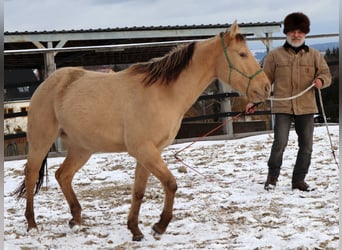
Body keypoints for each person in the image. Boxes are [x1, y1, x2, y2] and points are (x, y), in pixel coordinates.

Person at [246, 12, 331, 192]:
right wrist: (254, 101)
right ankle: (272, 178)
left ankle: (298, 181)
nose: (296, 35)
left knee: (307, 147)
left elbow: (326, 74)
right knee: (280, 143)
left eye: (300, 31)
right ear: (287, 33)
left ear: (305, 33)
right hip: (282, 107)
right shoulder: (274, 56)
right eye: (292, 31)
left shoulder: (315, 55)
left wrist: (321, 81)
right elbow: (265, 82)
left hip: (307, 108)